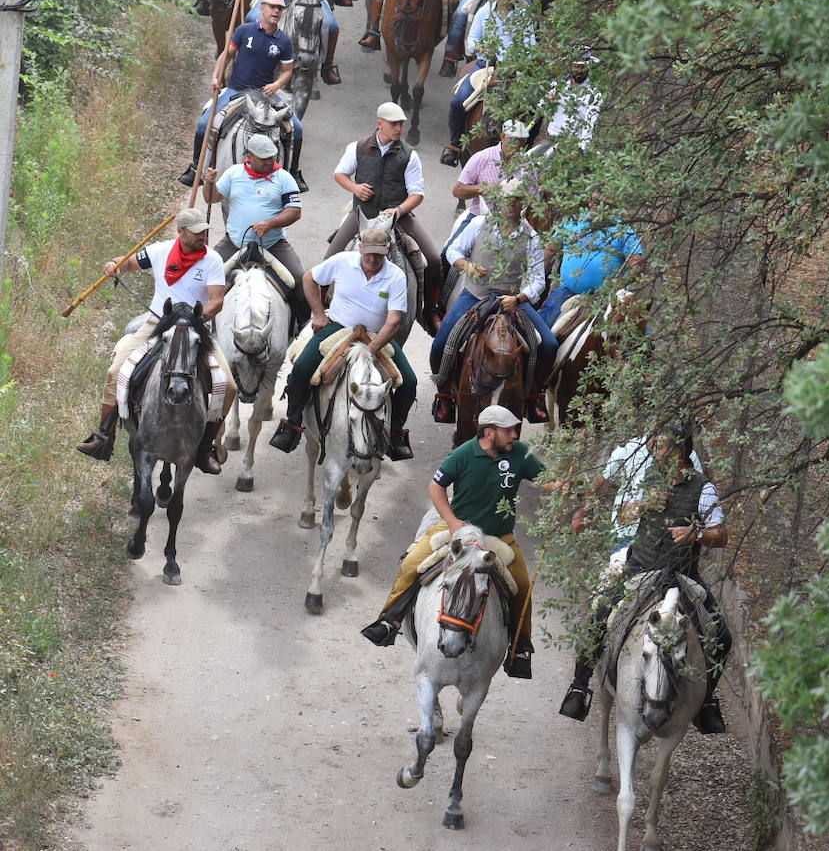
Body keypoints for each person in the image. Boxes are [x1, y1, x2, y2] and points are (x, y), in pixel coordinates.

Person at [361, 405, 561, 678]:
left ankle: (519, 647)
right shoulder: (463, 454)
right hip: (457, 530)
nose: (514, 434)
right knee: (411, 564)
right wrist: (453, 523)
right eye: (508, 430)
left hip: (498, 537)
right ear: (489, 433)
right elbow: (436, 487)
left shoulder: (520, 455)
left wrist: (566, 485)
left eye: (515, 429)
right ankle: (389, 620)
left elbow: (547, 480)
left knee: (523, 586)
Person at [558, 426, 731, 733]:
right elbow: (624, 516)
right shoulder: (651, 475)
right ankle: (579, 688)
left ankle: (706, 703)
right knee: (598, 618)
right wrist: (643, 505)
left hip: (681, 574)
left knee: (722, 634)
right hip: (639, 568)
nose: (654, 452)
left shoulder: (704, 488)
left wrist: (697, 534)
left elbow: (722, 536)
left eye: (660, 447)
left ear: (678, 453)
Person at [76, 210, 234, 473]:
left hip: (195, 329)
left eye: (204, 231)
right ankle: (104, 436)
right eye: (196, 232)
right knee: (116, 372)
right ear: (181, 232)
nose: (203, 236)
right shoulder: (159, 251)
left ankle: (205, 448)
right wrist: (113, 265)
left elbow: (217, 300)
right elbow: (126, 263)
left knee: (228, 385)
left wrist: (192, 318)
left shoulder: (213, 259)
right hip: (156, 325)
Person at [269, 226, 418, 460]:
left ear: (387, 252)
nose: (373, 259)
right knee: (301, 369)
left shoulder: (396, 276)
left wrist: (372, 348)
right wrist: (318, 313)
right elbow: (309, 278)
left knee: (409, 381)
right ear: (360, 248)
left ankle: (396, 434)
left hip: (376, 334)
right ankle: (293, 423)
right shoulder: (342, 261)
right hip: (338, 327)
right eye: (369, 253)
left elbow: (394, 320)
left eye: (379, 254)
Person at [429, 178, 555, 423]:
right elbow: (453, 251)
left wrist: (519, 297)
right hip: (475, 295)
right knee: (442, 341)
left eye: (516, 200)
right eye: (507, 199)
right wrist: (468, 266)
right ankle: (444, 395)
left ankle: (534, 395)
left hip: (513, 299)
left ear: (523, 205)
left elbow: (538, 278)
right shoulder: (478, 224)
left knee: (548, 344)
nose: (511, 205)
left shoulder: (532, 237)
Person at [324, 102, 443, 326]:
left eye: (401, 124)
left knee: (434, 260)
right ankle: (320, 311)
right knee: (330, 256)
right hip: (363, 215)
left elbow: (417, 194)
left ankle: (430, 310)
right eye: (394, 123)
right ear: (379, 123)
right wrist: (355, 188)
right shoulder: (357, 148)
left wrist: (398, 210)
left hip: (398, 218)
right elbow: (340, 174)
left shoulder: (409, 155)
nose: (399, 128)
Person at [177, 0, 307, 191]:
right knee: (204, 124)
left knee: (297, 128)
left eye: (280, 8)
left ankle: (294, 173)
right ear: (261, 8)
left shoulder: (284, 41)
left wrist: (277, 85)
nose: (276, 11)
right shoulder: (244, 30)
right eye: (272, 6)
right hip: (235, 90)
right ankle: (196, 168)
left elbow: (287, 71)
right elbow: (226, 55)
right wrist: (215, 76)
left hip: (265, 95)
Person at [203, 135, 309, 329]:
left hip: (273, 244)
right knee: (203, 273)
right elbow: (212, 198)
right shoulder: (234, 173)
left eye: (272, 157)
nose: (270, 161)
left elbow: (295, 212)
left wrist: (270, 224)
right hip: (234, 242)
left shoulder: (284, 178)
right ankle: (198, 322)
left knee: (300, 279)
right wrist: (209, 183)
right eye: (264, 158)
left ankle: (303, 325)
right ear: (250, 156)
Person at [441, 0, 536, 160]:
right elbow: (472, 41)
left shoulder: (524, 16)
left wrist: (519, 59)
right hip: (485, 67)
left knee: (535, 108)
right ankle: (455, 145)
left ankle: (528, 153)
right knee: (457, 102)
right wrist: (482, 48)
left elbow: (531, 46)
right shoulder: (485, 12)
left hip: (513, 70)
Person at [540, 203, 643, 329]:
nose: (596, 205)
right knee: (542, 327)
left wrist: (619, 283)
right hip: (568, 291)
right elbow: (550, 250)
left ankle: (644, 346)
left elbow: (636, 266)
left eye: (601, 201)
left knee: (637, 326)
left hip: (610, 295)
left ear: (611, 202)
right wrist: (536, 276)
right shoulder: (572, 222)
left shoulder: (623, 230)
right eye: (594, 200)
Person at [451, 120, 532, 222]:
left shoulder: (528, 165)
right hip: (479, 218)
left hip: (513, 222)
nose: (518, 145)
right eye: (514, 140)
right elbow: (457, 191)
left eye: (522, 141)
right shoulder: (482, 157)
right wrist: (483, 188)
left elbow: (533, 199)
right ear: (502, 136)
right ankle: (453, 148)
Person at [542, 57, 602, 151]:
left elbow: (590, 124)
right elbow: (541, 107)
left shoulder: (594, 94)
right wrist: (547, 100)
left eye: (583, 67)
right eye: (576, 66)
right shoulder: (558, 85)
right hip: (551, 138)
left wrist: (581, 149)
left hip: (573, 144)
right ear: (571, 66)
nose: (579, 70)